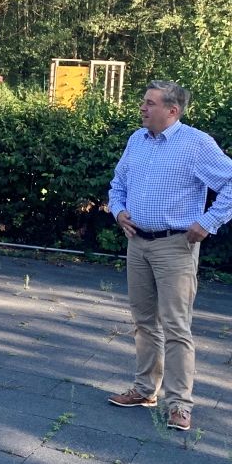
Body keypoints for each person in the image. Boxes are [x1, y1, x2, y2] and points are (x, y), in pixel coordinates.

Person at [108, 80, 232, 431]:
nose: (142, 108)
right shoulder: (137, 140)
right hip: (138, 244)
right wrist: (118, 211)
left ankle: (180, 404)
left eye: (149, 103)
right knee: (145, 322)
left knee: (176, 327)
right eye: (143, 102)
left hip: (175, 247)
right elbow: (118, 185)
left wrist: (208, 222)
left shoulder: (196, 144)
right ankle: (146, 389)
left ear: (172, 110)